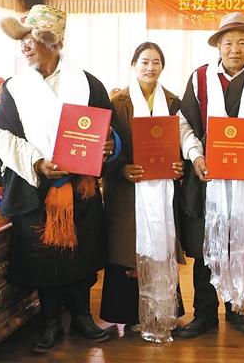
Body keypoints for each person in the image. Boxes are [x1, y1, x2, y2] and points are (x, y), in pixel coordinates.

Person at [0, 4, 118, 353]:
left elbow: (109, 128)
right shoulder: (15, 87)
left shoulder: (87, 83)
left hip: (80, 187)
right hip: (36, 189)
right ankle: (50, 323)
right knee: (43, 259)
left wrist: (108, 145)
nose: (24, 46)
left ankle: (83, 318)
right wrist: (38, 162)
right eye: (22, 41)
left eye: (31, 39)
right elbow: (2, 135)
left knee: (81, 255)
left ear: (53, 42)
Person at [176, 12, 244, 338]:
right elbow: (184, 124)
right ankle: (204, 313)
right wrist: (195, 156)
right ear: (218, 46)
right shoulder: (200, 78)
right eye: (228, 42)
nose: (235, 49)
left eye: (242, 42)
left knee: (241, 245)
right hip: (208, 179)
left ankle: (237, 307)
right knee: (205, 247)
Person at [100, 42, 185, 342]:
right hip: (128, 190)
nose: (150, 67)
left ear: (163, 66)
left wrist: (180, 164)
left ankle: (163, 311)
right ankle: (129, 315)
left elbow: (183, 139)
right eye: (145, 62)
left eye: (156, 62)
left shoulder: (173, 102)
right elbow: (107, 146)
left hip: (162, 190)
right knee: (128, 250)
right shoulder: (117, 103)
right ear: (134, 64)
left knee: (161, 248)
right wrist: (122, 167)